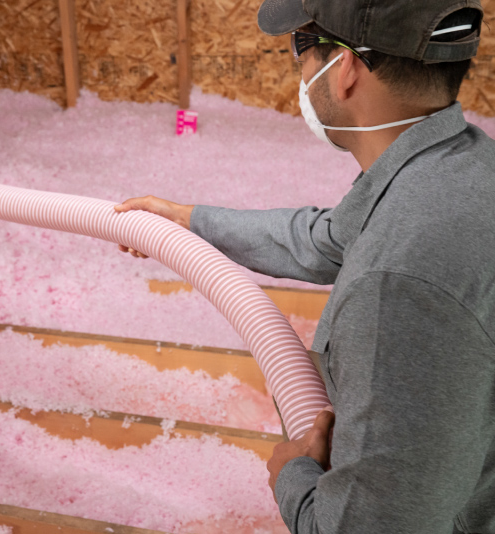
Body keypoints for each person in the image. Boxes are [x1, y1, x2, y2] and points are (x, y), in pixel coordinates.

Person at [114, 1, 495, 532]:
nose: (299, 69)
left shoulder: (399, 286)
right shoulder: (459, 169)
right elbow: (329, 238)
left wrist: (292, 477)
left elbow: (372, 527)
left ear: (345, 71)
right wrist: (189, 220)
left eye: (301, 48)